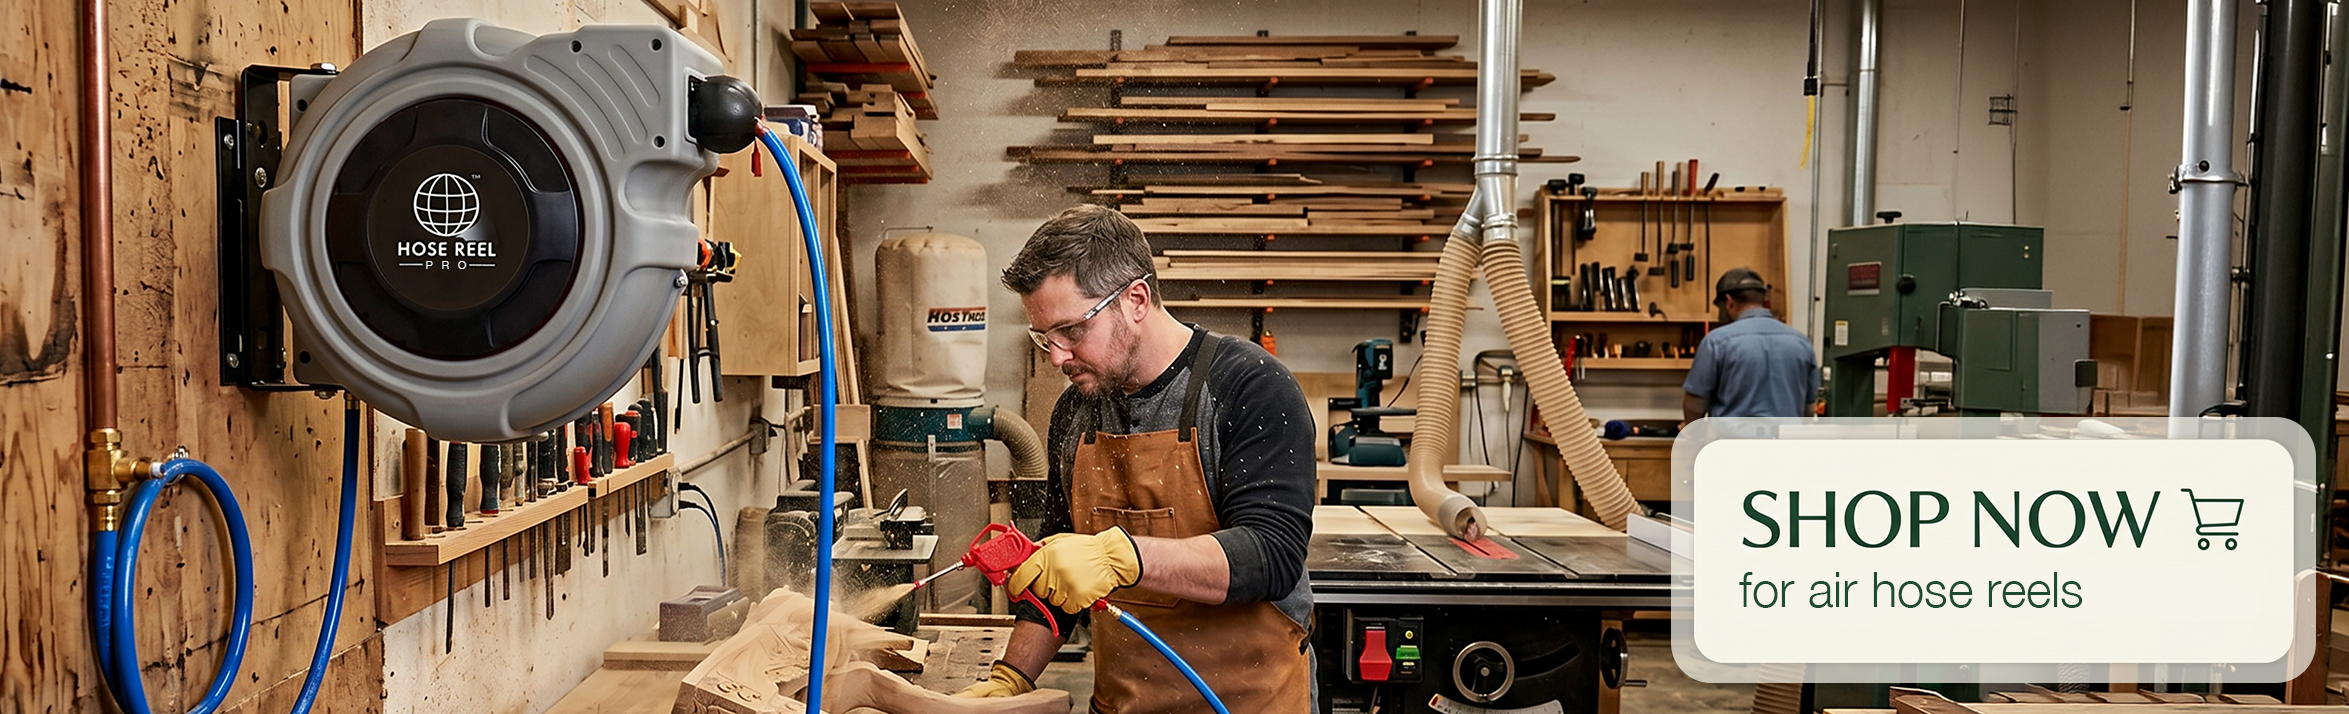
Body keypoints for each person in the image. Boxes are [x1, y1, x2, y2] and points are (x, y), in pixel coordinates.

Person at [956, 204, 1316, 713]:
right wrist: (1012, 677)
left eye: (1072, 331)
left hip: (1246, 703)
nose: (1056, 356)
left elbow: (1272, 555)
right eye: (1044, 338)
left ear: (1137, 300)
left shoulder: (1250, 387)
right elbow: (1059, 579)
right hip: (1123, 703)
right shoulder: (1075, 414)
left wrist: (1120, 557)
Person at [1682, 267, 1818, 422]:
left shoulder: (1716, 342)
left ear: (1728, 302)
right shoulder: (1801, 342)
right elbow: (1809, 406)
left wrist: (1692, 430)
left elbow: (1696, 403)